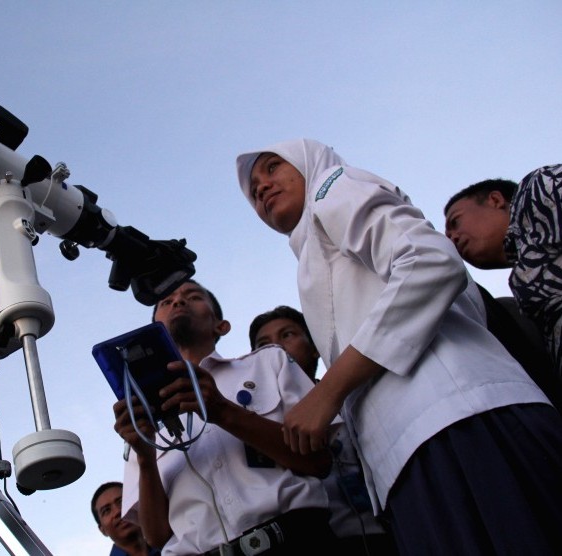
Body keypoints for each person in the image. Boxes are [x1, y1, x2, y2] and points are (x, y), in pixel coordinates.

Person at [236, 139, 562, 555]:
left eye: (272, 168)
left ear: (308, 162)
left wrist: (328, 391)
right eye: (253, 189)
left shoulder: (331, 187)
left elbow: (429, 260)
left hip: (460, 422)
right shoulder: (315, 255)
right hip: (413, 457)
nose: (261, 187)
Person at [113, 280, 335, 555]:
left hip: (295, 540)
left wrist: (223, 412)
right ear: (154, 331)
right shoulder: (143, 421)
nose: (178, 302)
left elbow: (318, 460)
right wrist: (145, 456)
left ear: (221, 325)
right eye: (166, 302)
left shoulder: (268, 364)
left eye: (192, 296)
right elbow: (157, 535)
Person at [250, 306, 398, 556]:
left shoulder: (352, 398)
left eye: (287, 335)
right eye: (263, 345)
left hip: (385, 534)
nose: (275, 349)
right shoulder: (256, 424)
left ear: (315, 346)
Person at [444, 168, 562, 382]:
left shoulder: (538, 190)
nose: (452, 239)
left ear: (495, 200)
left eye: (455, 222)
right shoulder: (520, 290)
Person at [91, 481, 160, 556]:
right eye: (107, 510)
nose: (118, 511)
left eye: (121, 502)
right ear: (102, 530)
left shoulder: (170, 544)